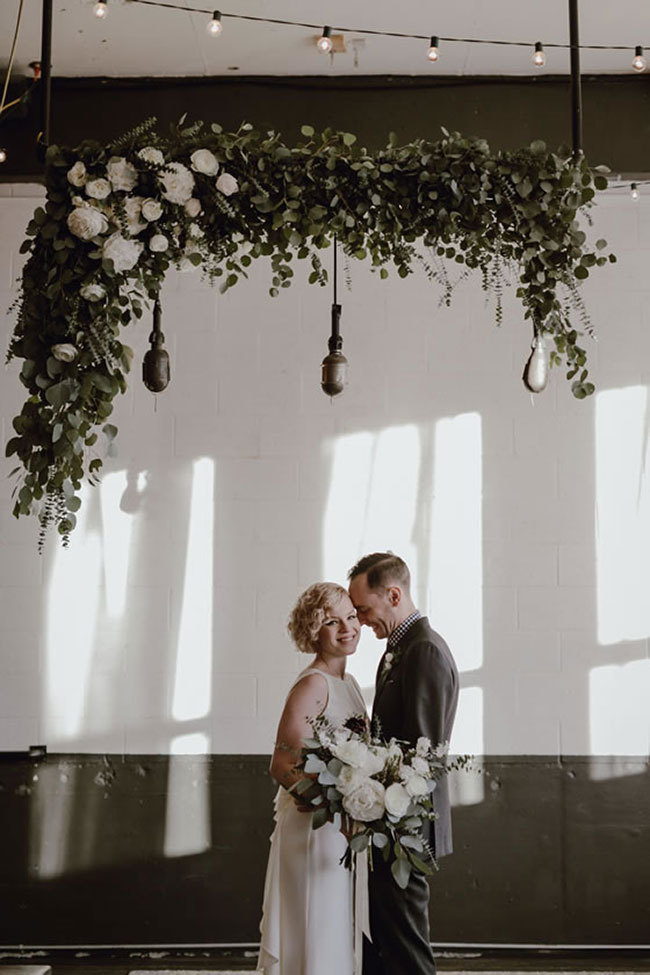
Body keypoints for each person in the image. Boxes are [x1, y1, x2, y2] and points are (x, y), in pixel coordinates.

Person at [347, 552, 459, 975]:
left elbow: (423, 753)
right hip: (387, 822)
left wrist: (388, 811)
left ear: (393, 595)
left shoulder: (423, 650)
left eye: (364, 609)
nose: (360, 621)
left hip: (404, 826)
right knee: (386, 940)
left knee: (406, 947)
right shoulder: (400, 648)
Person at [258, 582, 366, 975]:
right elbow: (282, 764)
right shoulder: (313, 683)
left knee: (332, 927)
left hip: (337, 828)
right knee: (314, 924)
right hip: (313, 826)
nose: (347, 628)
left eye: (351, 617)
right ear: (313, 630)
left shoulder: (348, 683)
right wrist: (335, 808)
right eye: (332, 622)